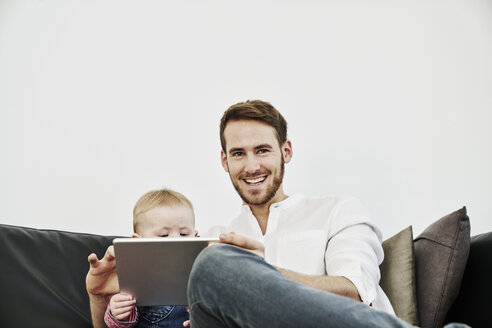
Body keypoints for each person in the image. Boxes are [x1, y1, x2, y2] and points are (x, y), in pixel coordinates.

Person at [87, 189, 197, 328]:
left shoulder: (200, 274)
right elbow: (116, 323)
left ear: (195, 235)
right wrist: (119, 311)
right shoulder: (134, 277)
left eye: (184, 233)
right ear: (137, 241)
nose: (175, 240)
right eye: (163, 235)